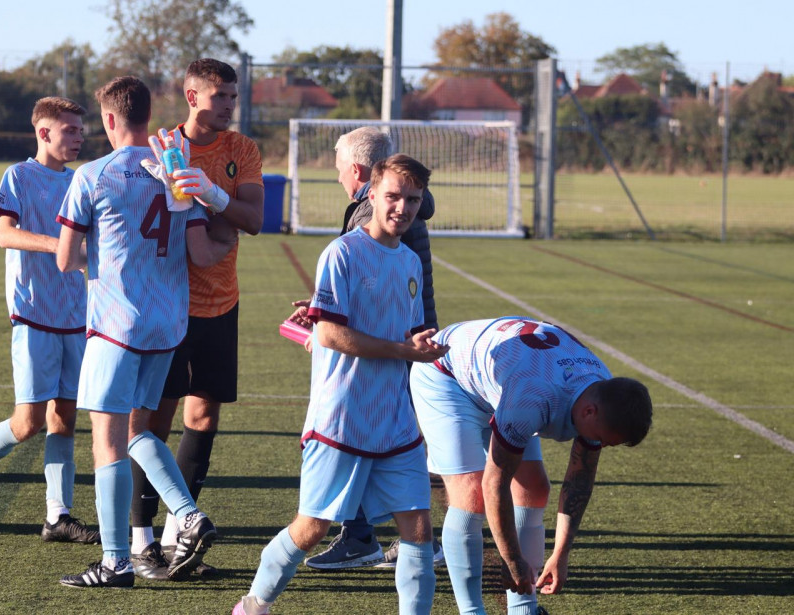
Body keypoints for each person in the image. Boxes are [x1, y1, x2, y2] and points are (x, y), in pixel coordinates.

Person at [233, 155, 449, 615]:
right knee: (312, 528)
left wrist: (419, 342)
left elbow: (405, 332)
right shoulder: (343, 253)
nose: (402, 208)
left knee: (418, 530)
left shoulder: (411, 261)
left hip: (395, 419)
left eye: (412, 200)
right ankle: (253, 604)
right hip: (343, 420)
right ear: (370, 195)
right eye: (393, 196)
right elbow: (328, 334)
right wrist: (401, 350)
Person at [53, 76, 237, 589]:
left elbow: (68, 258)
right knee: (140, 433)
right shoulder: (175, 170)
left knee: (108, 444)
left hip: (116, 325)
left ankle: (115, 562)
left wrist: (110, 254)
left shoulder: (92, 175)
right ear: (149, 114)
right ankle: (188, 514)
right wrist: (228, 242)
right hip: (168, 323)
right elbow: (201, 253)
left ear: (110, 120)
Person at [409, 317, 653, 615]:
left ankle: (524, 610)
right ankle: (472, 611)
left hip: (505, 379)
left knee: (534, 489)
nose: (600, 447)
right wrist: (512, 561)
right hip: (445, 375)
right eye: (602, 439)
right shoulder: (534, 398)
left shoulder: (599, 390)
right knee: (471, 497)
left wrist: (561, 554)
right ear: (590, 411)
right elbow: (494, 484)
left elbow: (580, 478)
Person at [129, 57, 265, 580]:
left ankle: (176, 537)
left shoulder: (241, 150)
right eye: (221, 96)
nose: (230, 105)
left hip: (220, 303)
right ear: (192, 96)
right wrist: (211, 219)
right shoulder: (164, 146)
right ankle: (142, 541)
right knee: (153, 423)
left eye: (233, 96)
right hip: (168, 306)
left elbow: (253, 220)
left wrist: (213, 196)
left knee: (204, 417)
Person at [0, 96, 99, 544]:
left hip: (76, 315)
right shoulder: (18, 175)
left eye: (80, 131)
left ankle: (58, 516)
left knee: (65, 418)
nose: (77, 137)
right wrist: (59, 246)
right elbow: (4, 234)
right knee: (27, 422)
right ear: (44, 132)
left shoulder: (81, 181)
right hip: (33, 313)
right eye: (69, 129)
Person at [298, 125, 443, 571]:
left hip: (393, 351)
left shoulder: (371, 216)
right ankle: (367, 536)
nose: (402, 209)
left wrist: (332, 329)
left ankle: (371, 538)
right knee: (386, 446)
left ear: (357, 170)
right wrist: (326, 312)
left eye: (341, 170)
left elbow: (371, 287)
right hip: (406, 337)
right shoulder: (400, 207)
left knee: (314, 518)